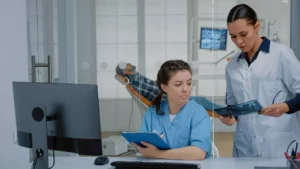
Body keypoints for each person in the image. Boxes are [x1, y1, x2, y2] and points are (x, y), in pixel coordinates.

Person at [221, 4, 300, 158]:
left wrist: (286, 106)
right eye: (233, 36)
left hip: (278, 144)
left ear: (257, 25)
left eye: (243, 34)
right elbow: (232, 104)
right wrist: (229, 115)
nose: (239, 41)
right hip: (244, 145)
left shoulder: (281, 54)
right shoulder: (232, 66)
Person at [131, 60, 211, 160]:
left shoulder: (198, 113)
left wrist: (158, 154)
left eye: (189, 83)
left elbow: (199, 153)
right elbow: (142, 146)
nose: (186, 89)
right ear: (164, 87)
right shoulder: (152, 113)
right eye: (178, 84)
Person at [115, 62, 225, 111]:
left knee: (201, 101)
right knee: (202, 100)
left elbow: (155, 86)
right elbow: (155, 93)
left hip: (169, 98)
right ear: (125, 71)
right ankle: (226, 110)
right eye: (127, 65)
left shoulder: (138, 78)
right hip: (168, 101)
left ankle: (224, 110)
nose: (130, 64)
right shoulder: (136, 81)